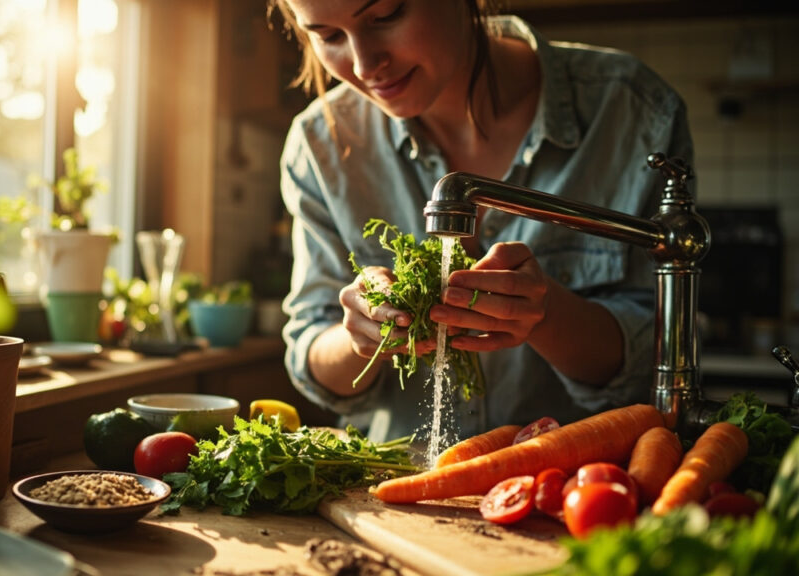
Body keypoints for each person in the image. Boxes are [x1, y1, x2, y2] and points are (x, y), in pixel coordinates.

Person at [270, 0, 694, 448]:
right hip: (400, 481)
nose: (363, 65)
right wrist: (358, 335)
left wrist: (547, 314)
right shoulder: (320, 144)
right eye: (328, 36)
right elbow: (311, 356)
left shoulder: (634, 111)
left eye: (386, 16)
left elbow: (660, 360)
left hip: (579, 479)